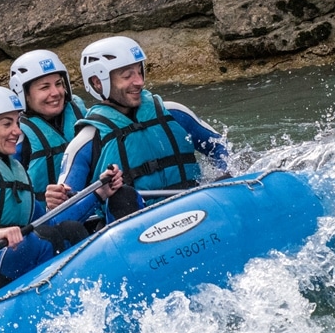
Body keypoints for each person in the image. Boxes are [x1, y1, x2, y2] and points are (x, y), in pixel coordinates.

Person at [0, 86, 122, 307]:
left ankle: (90, 299)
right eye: (7, 124)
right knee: (41, 239)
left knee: (68, 230)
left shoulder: (15, 170)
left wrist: (99, 193)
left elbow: (49, 221)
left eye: (17, 122)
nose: (17, 131)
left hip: (3, 265)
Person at [56, 35, 229, 218]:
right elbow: (63, 215)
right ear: (97, 82)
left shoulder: (174, 113)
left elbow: (220, 148)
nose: (139, 82)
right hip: (140, 230)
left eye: (139, 72)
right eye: (127, 75)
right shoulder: (86, 141)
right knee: (123, 197)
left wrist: (224, 173)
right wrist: (99, 194)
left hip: (196, 211)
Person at [9, 49, 88, 200]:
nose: (56, 92)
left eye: (58, 84)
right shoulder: (16, 137)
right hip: (46, 217)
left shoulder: (83, 114)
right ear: (23, 94)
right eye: (45, 87)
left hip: (93, 207)